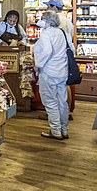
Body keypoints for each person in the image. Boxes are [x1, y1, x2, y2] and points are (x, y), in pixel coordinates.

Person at [33, 11, 72, 140]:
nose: (40, 21)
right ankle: (64, 129)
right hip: (63, 71)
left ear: (48, 21)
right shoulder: (62, 32)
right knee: (62, 101)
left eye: (42, 19)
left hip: (49, 71)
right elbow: (71, 49)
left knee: (50, 101)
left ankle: (55, 131)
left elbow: (47, 51)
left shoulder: (46, 33)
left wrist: (38, 64)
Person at [43, 0, 75, 120]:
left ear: (55, 8)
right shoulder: (67, 20)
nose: (47, 9)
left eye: (49, 7)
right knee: (65, 85)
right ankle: (66, 112)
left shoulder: (56, 21)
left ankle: (57, 115)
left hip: (55, 58)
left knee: (56, 89)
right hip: (65, 56)